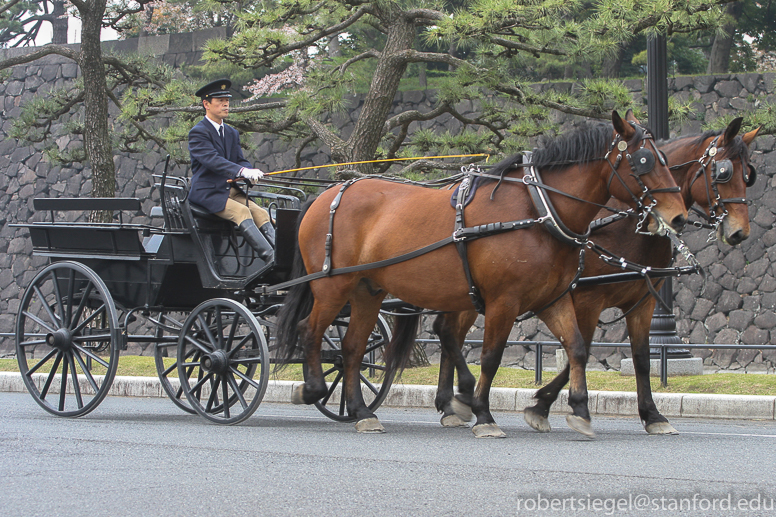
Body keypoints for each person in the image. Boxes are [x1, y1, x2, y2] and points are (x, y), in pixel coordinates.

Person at [188, 78, 275, 262]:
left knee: (261, 213)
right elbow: (213, 161)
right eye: (220, 101)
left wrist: (251, 173)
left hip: (229, 190)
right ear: (206, 104)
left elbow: (240, 160)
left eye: (227, 100)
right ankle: (270, 258)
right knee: (242, 212)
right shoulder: (198, 132)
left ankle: (282, 255)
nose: (225, 104)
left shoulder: (231, 132)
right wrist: (242, 171)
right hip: (208, 192)